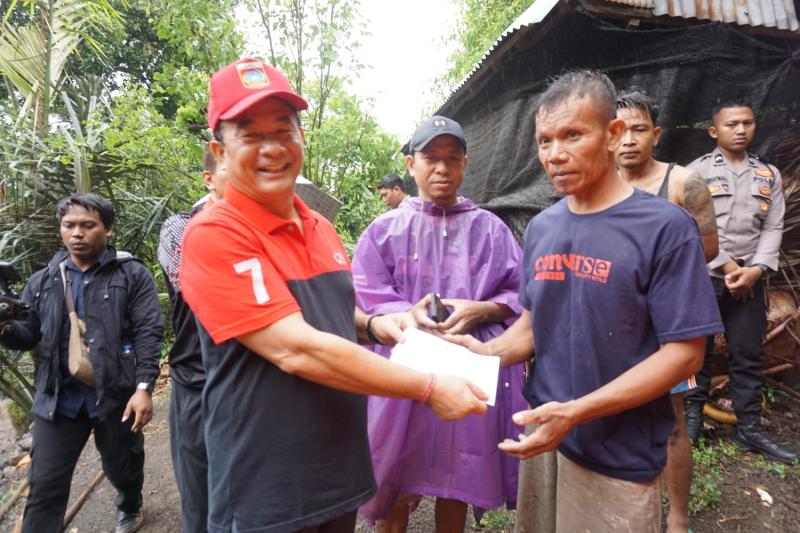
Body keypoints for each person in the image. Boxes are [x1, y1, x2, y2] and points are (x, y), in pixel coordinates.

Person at [178, 58, 487, 533]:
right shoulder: (214, 234)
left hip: (337, 471)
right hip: (266, 486)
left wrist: (377, 325)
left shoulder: (319, 226)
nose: (271, 148)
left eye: (283, 130)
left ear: (300, 138)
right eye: (251, 135)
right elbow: (296, 348)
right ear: (220, 152)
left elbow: (332, 317)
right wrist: (427, 387)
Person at [450, 70, 722, 532]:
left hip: (619, 449)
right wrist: (485, 353)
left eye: (572, 135)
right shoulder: (542, 228)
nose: (555, 154)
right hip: (546, 431)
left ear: (613, 134)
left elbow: (684, 355)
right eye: (545, 140)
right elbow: (532, 326)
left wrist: (576, 412)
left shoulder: (665, 228)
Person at [352, 116, 527, 532]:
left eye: (452, 158)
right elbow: (366, 292)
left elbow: (521, 292)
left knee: (458, 477)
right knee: (395, 470)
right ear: (411, 164)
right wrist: (407, 314)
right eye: (431, 158)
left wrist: (482, 309)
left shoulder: (490, 229)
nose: (442, 168)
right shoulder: (384, 230)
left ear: (466, 163)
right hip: (402, 365)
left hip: (468, 362)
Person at [0, 193, 162, 533]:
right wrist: (5, 327)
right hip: (58, 398)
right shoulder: (43, 281)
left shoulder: (131, 274)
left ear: (108, 229)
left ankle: (129, 503)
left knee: (122, 466)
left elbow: (148, 331)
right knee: (44, 484)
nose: (77, 233)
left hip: (115, 393)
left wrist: (144, 386)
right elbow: (28, 335)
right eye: (69, 225)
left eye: (88, 225)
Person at [615, 88, 719, 533]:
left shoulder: (682, 183)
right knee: (614, 413)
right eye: (620, 130)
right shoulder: (600, 183)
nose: (629, 140)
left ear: (655, 134)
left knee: (671, 420)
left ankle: (677, 517)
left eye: (639, 129)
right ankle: (623, 508)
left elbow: (709, 248)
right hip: (616, 320)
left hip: (665, 322)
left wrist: (652, 266)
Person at [684, 101, 798, 464]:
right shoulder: (695, 173)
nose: (740, 129)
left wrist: (757, 269)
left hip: (750, 280)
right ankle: (691, 422)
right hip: (705, 276)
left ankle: (749, 429)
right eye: (731, 124)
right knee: (696, 353)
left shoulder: (768, 175)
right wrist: (728, 265)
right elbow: (689, 226)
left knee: (748, 354)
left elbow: (773, 227)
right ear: (713, 131)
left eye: (747, 123)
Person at [157, 144, 226, 533]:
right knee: (198, 490)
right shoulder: (180, 227)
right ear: (209, 179)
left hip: (249, 378)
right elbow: (195, 285)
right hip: (196, 376)